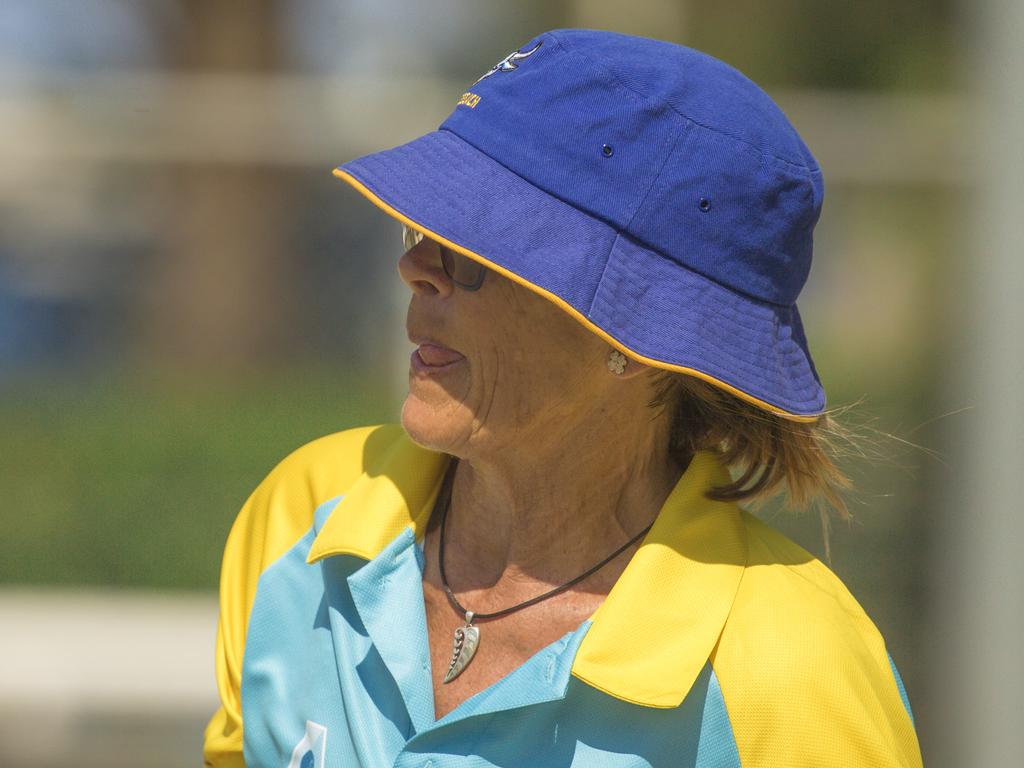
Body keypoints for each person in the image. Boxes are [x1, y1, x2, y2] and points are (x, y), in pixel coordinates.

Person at [203, 29, 923, 768]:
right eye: (425, 222)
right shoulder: (305, 521)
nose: (415, 266)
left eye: (476, 249)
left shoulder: (790, 670)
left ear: (638, 339)